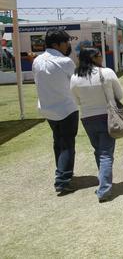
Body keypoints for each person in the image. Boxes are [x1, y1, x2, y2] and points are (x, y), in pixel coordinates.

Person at [70, 48, 123, 203]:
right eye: (100, 56)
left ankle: (103, 183)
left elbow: (76, 100)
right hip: (106, 116)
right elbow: (120, 94)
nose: (102, 58)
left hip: (87, 118)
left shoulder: (75, 77)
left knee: (98, 151)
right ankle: (104, 190)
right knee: (106, 153)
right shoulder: (106, 73)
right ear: (94, 58)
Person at [32, 29, 78, 194]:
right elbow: (74, 84)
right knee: (67, 144)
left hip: (47, 108)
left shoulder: (37, 61)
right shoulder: (65, 61)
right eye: (65, 42)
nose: (68, 45)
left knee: (57, 141)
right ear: (56, 44)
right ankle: (63, 179)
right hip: (66, 107)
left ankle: (61, 169)